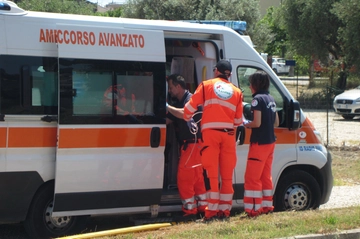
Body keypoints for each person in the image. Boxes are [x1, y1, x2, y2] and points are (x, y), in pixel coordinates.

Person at [183, 60, 243, 222]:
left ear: (216, 71)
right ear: (229, 74)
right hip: (229, 135)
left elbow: (191, 106)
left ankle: (211, 212)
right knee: (227, 175)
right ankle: (225, 211)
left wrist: (187, 117)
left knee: (211, 175)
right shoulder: (237, 91)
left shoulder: (206, 85)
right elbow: (238, 121)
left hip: (211, 135)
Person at [166, 74, 207, 221]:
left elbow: (184, 114)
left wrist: (165, 106)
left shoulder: (190, 100)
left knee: (184, 179)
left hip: (192, 145)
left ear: (178, 87)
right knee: (197, 179)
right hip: (193, 146)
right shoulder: (180, 101)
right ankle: (202, 208)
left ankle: (189, 211)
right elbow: (169, 120)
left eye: (171, 87)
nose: (169, 91)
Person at [242, 70, 279, 217]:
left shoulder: (257, 100)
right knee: (265, 176)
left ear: (255, 84)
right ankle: (267, 206)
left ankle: (253, 209)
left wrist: (245, 123)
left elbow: (256, 123)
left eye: (251, 83)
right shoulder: (271, 98)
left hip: (259, 144)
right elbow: (276, 122)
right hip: (270, 142)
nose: (250, 86)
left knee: (252, 177)